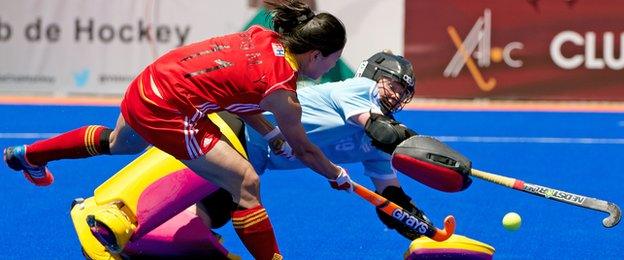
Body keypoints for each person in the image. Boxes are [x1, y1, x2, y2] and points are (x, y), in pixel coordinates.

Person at [3, 1, 348, 259]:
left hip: (150, 83)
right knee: (246, 182)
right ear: (316, 55)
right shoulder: (284, 94)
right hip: (169, 109)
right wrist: (335, 174)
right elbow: (304, 149)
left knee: (118, 142)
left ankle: (29, 155)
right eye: (335, 58)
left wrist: (270, 134)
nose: (334, 65)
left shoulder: (265, 37)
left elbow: (234, 93)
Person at [71, 51, 433, 259]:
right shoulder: (360, 91)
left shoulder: (379, 144)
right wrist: (417, 145)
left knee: (209, 216)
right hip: (241, 125)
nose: (396, 95)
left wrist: (421, 227)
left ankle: (135, 237)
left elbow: (389, 196)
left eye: (404, 92)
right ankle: (109, 209)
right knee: (189, 177)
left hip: (257, 156)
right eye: (393, 84)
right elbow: (378, 128)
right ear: (373, 76)